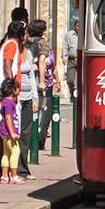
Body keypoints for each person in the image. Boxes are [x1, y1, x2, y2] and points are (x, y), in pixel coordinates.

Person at [28, 19, 65, 157]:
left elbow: (52, 65)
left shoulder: (27, 42)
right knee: (44, 112)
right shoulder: (43, 43)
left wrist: (57, 80)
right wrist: (42, 81)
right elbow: (43, 62)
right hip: (41, 82)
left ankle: (34, 140)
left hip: (33, 80)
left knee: (35, 111)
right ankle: (38, 142)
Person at [16, 21, 41, 178]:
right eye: (22, 35)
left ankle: (23, 168)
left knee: (26, 133)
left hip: (27, 97)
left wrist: (35, 98)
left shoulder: (28, 52)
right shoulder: (10, 51)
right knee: (14, 133)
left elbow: (32, 76)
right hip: (14, 97)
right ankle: (11, 169)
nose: (25, 38)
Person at [0, 78, 22, 184]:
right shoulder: (9, 103)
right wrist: (12, 133)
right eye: (18, 88)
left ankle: (4, 176)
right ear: (13, 90)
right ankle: (14, 176)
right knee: (15, 151)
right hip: (8, 133)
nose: (19, 90)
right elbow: (8, 118)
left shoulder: (5, 102)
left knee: (6, 153)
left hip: (3, 132)